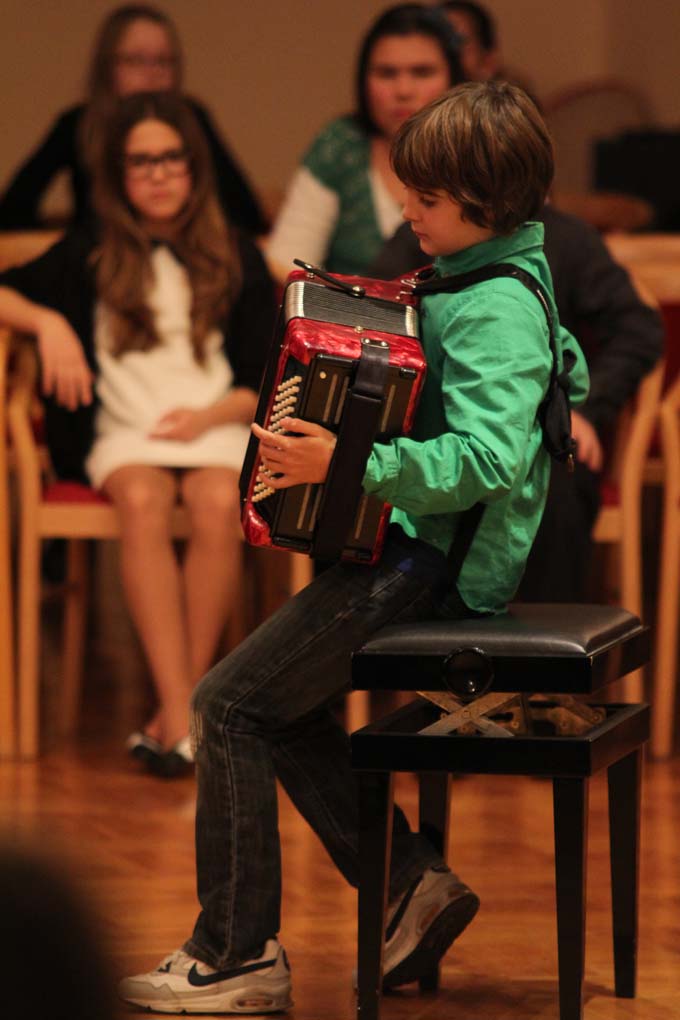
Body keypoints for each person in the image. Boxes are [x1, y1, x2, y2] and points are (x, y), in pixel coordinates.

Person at [118, 81, 588, 1013]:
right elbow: (561, 365)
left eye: (427, 199)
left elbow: (490, 457)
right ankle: (409, 884)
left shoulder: (493, 303)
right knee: (275, 710)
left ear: (486, 204)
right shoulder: (486, 275)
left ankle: (236, 955)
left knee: (225, 706)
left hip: (431, 565)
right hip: (415, 547)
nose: (407, 211)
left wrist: (354, 462)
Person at [0, 92, 276, 776]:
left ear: (195, 167)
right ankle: (186, 710)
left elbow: (259, 378)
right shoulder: (91, 249)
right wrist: (46, 322)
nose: (157, 174)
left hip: (216, 424)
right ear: (117, 176)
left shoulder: (236, 252)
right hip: (127, 432)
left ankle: (178, 711)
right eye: (140, 162)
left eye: (171, 158)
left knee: (218, 503)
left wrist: (205, 419)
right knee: (144, 500)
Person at [371, 204, 663, 601]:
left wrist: (584, 409)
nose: (411, 209)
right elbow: (375, 307)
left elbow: (638, 330)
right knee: (356, 479)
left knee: (550, 493)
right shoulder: (427, 231)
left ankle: (536, 634)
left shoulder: (570, 238)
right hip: (436, 428)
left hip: (544, 431)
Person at [0, 3, 267, 235]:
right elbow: (13, 210)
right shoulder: (78, 123)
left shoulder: (192, 119)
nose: (152, 73)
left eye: (163, 61)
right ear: (107, 67)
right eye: (136, 60)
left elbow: (246, 216)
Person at [264, 3, 463, 281]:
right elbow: (287, 264)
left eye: (422, 72)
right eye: (387, 73)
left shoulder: (479, 149)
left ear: (454, 79)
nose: (403, 90)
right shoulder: (341, 145)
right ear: (363, 80)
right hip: (345, 308)